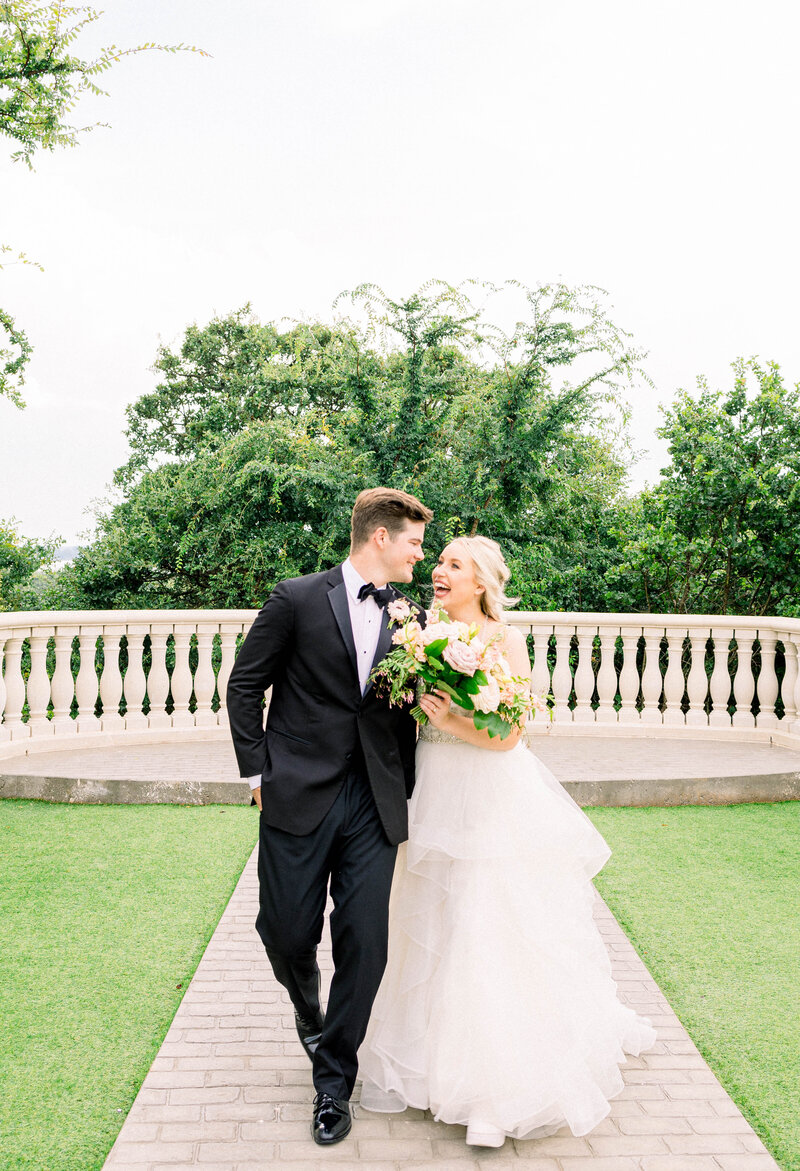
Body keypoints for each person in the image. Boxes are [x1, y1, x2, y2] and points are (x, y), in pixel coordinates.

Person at [358, 535, 657, 1148]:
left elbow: (509, 737)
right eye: (438, 561)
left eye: (454, 565)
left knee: (485, 922)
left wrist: (449, 719)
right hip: (434, 791)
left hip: (489, 797)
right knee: (433, 921)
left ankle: (493, 1093)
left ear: (481, 583)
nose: (438, 571)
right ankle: (426, 1068)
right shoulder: (419, 634)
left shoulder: (502, 641)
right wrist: (420, 712)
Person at [226, 486, 432, 1146]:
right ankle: (308, 1008)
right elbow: (245, 683)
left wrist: (412, 790)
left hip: (374, 799)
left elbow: (407, 713)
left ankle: (334, 1079)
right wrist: (258, 771)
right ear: (380, 537)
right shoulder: (295, 598)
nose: (419, 554)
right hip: (296, 790)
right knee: (285, 931)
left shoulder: (414, 613)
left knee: (366, 942)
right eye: (413, 541)